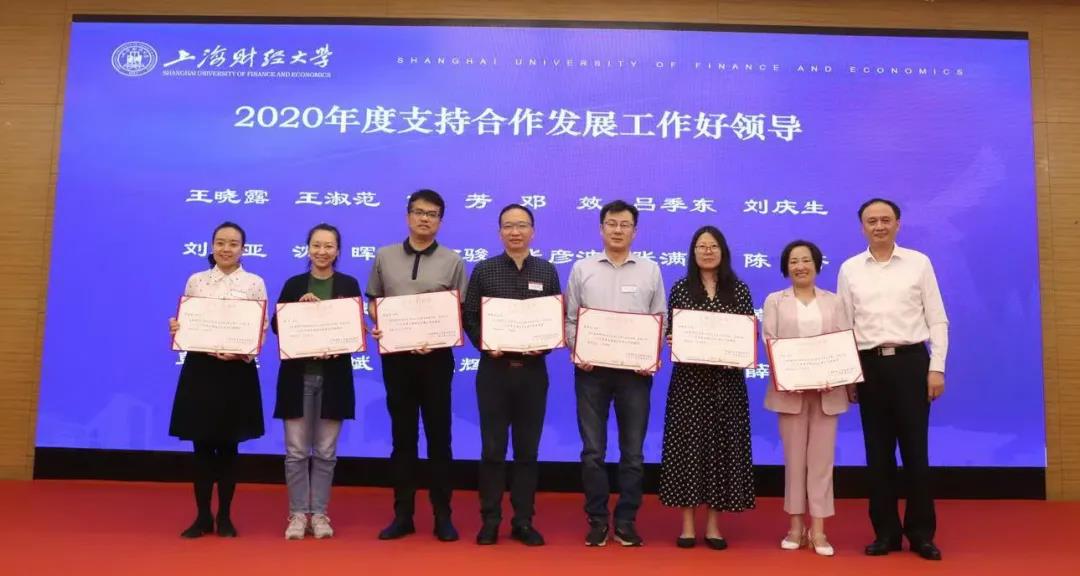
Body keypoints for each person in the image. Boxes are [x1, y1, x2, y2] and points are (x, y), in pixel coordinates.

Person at [837, 198, 948, 561]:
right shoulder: (850, 269)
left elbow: (937, 319)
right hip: (870, 367)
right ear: (862, 227)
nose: (879, 226)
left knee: (916, 452)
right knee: (878, 454)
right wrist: (849, 374)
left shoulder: (919, 263)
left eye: (886, 219)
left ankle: (921, 534)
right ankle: (885, 533)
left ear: (898, 224)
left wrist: (937, 367)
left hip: (912, 363)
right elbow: (845, 326)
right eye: (872, 221)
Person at [367, 189, 468, 542]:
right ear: (408, 215)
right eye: (420, 212)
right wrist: (378, 321)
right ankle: (403, 515)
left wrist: (441, 333)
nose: (425, 219)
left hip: (436, 360)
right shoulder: (385, 256)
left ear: (440, 221)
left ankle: (443, 515)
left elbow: (460, 310)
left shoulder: (453, 261)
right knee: (403, 438)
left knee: (440, 438)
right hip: (397, 360)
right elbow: (374, 300)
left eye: (433, 214)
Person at [565, 199, 666, 547]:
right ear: (601, 228)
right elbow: (571, 319)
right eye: (611, 223)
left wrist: (649, 355)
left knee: (633, 453)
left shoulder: (650, 270)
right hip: (591, 372)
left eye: (625, 225)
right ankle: (596, 520)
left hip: (634, 375)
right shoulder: (582, 268)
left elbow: (659, 319)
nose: (618, 230)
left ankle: (625, 521)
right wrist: (578, 350)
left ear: (635, 231)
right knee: (593, 451)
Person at [462, 204, 560, 547]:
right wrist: (485, 344)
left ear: (533, 231)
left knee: (527, 451)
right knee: (492, 449)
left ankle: (523, 521)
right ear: (499, 231)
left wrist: (543, 346)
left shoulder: (546, 271)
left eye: (521, 225)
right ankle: (490, 520)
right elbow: (470, 316)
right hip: (494, 372)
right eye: (508, 226)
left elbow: (554, 319)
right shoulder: (484, 269)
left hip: (533, 373)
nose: (515, 232)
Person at [168, 221, 266, 538]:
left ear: (243, 249)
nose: (226, 248)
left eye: (233, 243)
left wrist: (241, 352)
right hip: (201, 370)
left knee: (228, 448)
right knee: (200, 448)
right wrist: (178, 328)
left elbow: (261, 329)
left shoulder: (254, 283)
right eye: (220, 242)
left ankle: (224, 516)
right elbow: (188, 323)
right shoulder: (196, 280)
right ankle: (201, 517)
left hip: (236, 372)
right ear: (212, 246)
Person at [659, 225, 755, 551]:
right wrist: (672, 339)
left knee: (721, 452)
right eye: (701, 246)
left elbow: (746, 336)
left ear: (723, 251)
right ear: (693, 252)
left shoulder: (739, 290)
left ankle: (714, 525)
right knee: (688, 451)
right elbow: (672, 331)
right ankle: (687, 525)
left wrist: (740, 350)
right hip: (689, 384)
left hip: (727, 385)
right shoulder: (680, 289)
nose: (708, 251)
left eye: (713, 246)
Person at [272, 223, 361, 540]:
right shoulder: (294, 284)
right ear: (308, 248)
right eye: (316, 245)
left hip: (334, 379)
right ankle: (298, 514)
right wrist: (298, 310)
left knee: (325, 452)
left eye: (329, 246)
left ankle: (320, 513)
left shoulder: (348, 284)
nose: (322, 251)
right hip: (297, 378)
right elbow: (277, 326)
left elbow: (355, 330)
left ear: (338, 251)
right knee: (296, 452)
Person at [762, 239, 851, 556]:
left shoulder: (834, 301)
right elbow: (770, 341)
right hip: (790, 393)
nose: (800, 266)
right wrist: (790, 376)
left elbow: (844, 342)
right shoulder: (775, 301)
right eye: (794, 261)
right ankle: (795, 527)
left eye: (806, 260)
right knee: (795, 462)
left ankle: (820, 530)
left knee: (822, 463)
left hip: (828, 392)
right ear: (786, 267)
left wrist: (834, 375)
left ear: (816, 264)